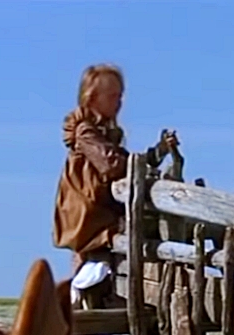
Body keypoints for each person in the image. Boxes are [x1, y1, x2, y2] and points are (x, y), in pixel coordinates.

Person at [52, 63, 179, 307]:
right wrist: (139, 166)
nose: (119, 103)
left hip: (99, 203)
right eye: (112, 96)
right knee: (111, 241)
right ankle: (89, 293)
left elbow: (124, 161)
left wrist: (158, 152)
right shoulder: (85, 132)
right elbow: (111, 165)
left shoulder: (103, 132)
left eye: (120, 96)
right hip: (90, 208)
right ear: (92, 98)